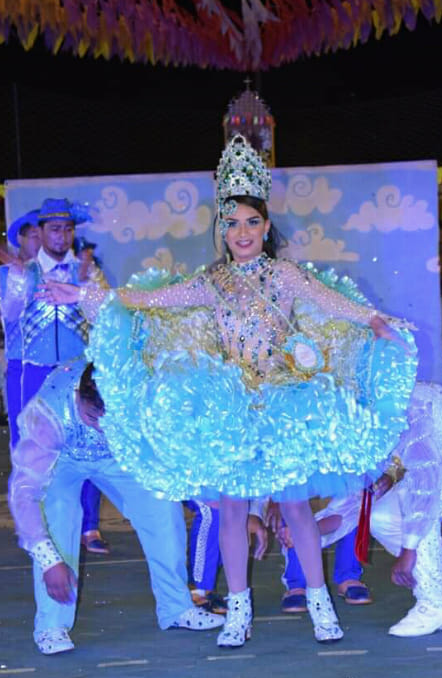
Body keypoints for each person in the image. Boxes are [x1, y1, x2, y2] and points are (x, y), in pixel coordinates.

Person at [39, 135, 417, 649]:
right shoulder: (211, 282)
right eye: (232, 222)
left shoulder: (285, 275)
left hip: (284, 403)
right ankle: (238, 609)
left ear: (266, 225)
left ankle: (319, 602)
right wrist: (86, 293)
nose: (242, 232)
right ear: (222, 228)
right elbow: (147, 300)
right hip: (232, 408)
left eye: (251, 222)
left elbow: (331, 302)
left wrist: (374, 321)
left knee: (296, 507)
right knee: (233, 510)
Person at [9, 358, 223, 655]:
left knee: (162, 506)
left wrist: (202, 489)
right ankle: (51, 626)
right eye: (93, 417)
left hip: (117, 456)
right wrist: (49, 560)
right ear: (79, 398)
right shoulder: (47, 415)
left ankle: (176, 608)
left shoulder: (139, 399)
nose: (101, 428)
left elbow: (169, 452)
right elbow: (23, 493)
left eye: (109, 421)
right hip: (62, 459)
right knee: (57, 515)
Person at [311, 382, 442, 636]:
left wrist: (408, 551)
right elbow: (360, 499)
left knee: (415, 499)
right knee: (380, 516)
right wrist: (311, 530)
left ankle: (436, 604)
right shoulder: (367, 419)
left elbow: (425, 482)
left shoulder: (407, 408)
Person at [1, 198, 108, 554]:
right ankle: (38, 529)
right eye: (54, 229)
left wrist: (88, 287)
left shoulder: (88, 270)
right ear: (42, 231)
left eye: (67, 229)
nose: (62, 236)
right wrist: (19, 277)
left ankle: (90, 527)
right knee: (32, 448)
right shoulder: (22, 271)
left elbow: (105, 319)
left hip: (78, 376)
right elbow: (9, 314)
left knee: (89, 442)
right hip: (32, 374)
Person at [0, 209, 41, 445]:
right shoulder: (5, 274)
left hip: (62, 366)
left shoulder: (63, 272)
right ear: (20, 238)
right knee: (24, 437)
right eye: (34, 235)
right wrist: (19, 272)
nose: (41, 241)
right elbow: (11, 311)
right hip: (21, 363)